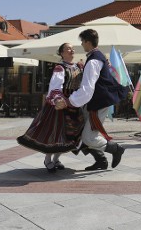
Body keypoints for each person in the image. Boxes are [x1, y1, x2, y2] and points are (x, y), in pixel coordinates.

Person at [55, 29, 126, 170]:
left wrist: (69, 101)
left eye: (82, 41)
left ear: (87, 41)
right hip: (94, 102)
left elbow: (88, 89)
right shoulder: (96, 57)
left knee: (88, 137)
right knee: (80, 132)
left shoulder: (93, 60)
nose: (81, 44)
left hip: (97, 102)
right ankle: (100, 160)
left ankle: (116, 149)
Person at [17, 43, 85, 172]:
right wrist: (58, 99)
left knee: (71, 134)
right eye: (68, 49)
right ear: (62, 53)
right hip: (59, 105)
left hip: (74, 104)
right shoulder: (60, 68)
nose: (72, 50)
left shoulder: (79, 66)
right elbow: (55, 86)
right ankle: (48, 160)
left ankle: (56, 159)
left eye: (72, 48)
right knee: (55, 132)